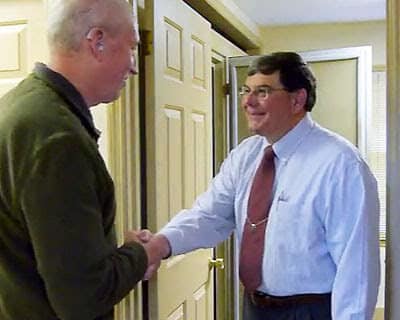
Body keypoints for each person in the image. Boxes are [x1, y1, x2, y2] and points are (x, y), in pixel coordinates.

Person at [143, 52, 381, 319]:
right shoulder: (246, 155)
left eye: (263, 91)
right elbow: (209, 216)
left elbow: (356, 266)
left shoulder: (340, 164)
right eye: (247, 90)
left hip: (313, 310)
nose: (247, 102)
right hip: (255, 307)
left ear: (297, 99)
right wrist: (161, 244)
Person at [0, 0, 162, 319]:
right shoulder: (57, 138)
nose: (134, 65)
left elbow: (41, 250)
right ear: (97, 41)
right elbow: (84, 299)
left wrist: (118, 255)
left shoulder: (19, 107)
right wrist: (145, 253)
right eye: (131, 47)